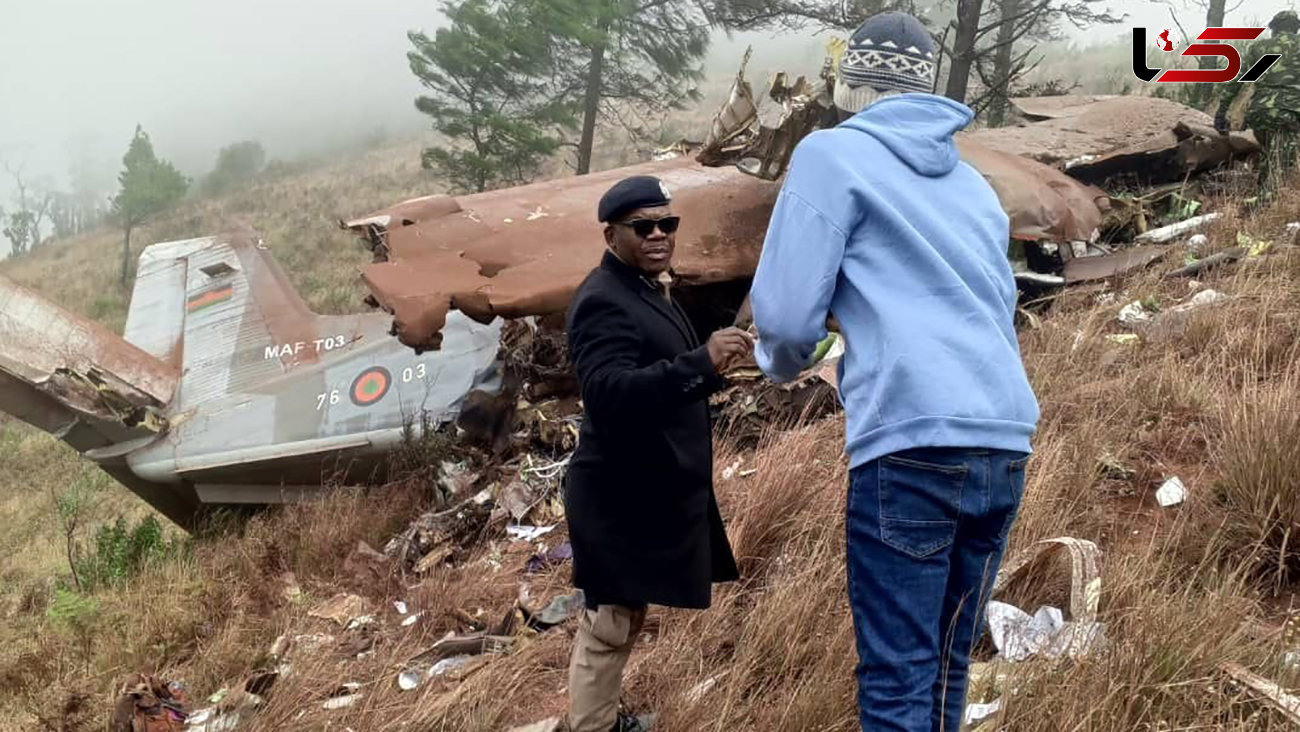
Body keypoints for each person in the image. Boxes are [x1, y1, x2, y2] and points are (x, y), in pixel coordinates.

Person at [748, 11, 1040, 732]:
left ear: (852, 86)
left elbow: (784, 320)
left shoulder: (830, 155)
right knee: (946, 662)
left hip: (912, 439)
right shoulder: (970, 185)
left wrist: (782, 363)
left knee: (898, 675)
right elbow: (996, 302)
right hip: (1003, 437)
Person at [563, 175, 752, 732]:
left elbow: (658, 378)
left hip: (645, 490)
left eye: (667, 223)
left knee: (624, 615)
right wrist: (699, 363)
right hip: (617, 495)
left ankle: (601, 720)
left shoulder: (645, 288)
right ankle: (590, 728)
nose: (658, 235)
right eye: (642, 226)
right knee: (607, 625)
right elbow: (608, 394)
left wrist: (710, 370)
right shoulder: (602, 300)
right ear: (611, 234)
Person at [1216, 10, 1300, 197]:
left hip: (1260, 113)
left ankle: (1259, 205)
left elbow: (1237, 80)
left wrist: (1222, 110)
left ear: (1274, 29)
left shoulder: (1259, 48)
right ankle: (1267, 210)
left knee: (1269, 160)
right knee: (1282, 168)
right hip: (1290, 113)